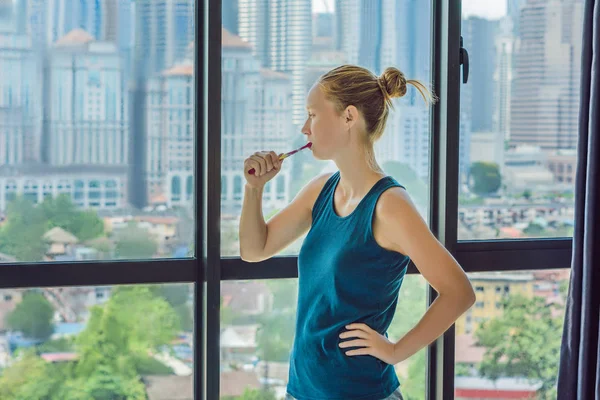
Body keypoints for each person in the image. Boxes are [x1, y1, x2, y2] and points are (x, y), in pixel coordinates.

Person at [239, 65, 476, 400]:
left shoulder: (390, 206)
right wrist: (254, 189)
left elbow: (459, 292)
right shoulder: (320, 190)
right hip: (302, 389)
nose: (305, 128)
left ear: (348, 116)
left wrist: (395, 351)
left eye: (312, 115)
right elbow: (254, 249)